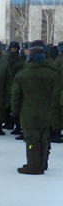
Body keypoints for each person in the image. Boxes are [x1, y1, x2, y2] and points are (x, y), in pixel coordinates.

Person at [12, 45, 62, 174]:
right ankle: (41, 164)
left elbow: (16, 96)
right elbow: (56, 95)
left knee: (31, 140)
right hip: (47, 113)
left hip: (28, 114)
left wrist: (15, 112)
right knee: (44, 138)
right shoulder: (52, 75)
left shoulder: (22, 75)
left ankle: (33, 166)